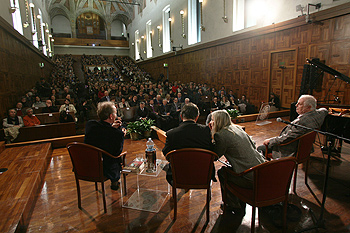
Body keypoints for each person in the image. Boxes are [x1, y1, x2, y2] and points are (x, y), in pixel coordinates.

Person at [209, 110, 264, 214]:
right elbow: (253, 145)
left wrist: (212, 133)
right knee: (229, 168)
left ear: (217, 121)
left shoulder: (221, 135)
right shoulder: (238, 128)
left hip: (250, 176)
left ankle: (232, 204)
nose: (211, 122)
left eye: (212, 120)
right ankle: (237, 200)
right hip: (261, 169)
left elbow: (216, 156)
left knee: (222, 173)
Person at [259, 95, 328, 159]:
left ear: (309, 107)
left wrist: (270, 141)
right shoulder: (320, 114)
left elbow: (287, 138)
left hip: (290, 150)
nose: (296, 105)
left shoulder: (301, 122)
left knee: (260, 148)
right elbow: (324, 110)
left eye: (300, 104)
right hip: (305, 149)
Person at [162, 103, 214, 186]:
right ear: (197, 117)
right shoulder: (206, 131)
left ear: (181, 116)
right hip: (203, 174)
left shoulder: (171, 134)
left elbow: (166, 153)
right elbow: (212, 150)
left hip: (178, 175)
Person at [84, 102, 127, 190]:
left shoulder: (90, 125)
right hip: (105, 168)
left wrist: (111, 127)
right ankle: (115, 180)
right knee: (117, 159)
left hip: (89, 164)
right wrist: (121, 135)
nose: (116, 115)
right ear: (111, 116)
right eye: (115, 113)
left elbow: (103, 131)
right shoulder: (117, 134)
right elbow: (116, 153)